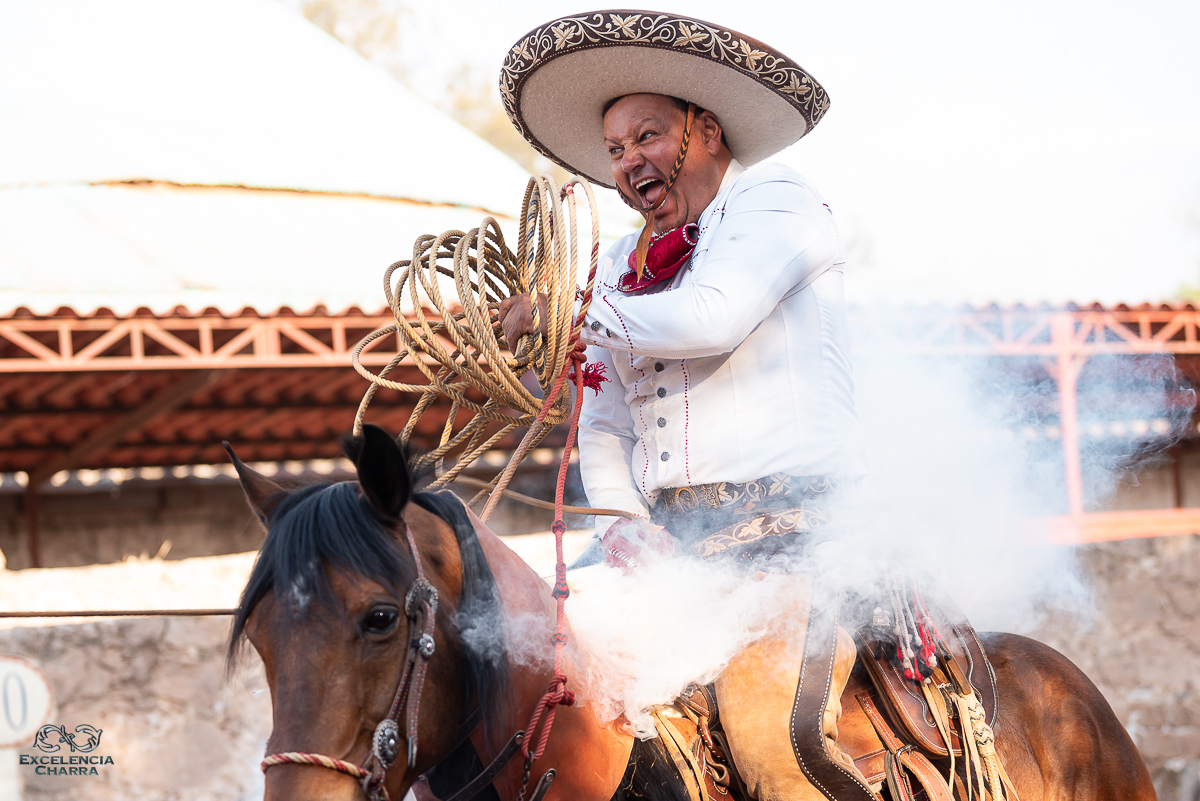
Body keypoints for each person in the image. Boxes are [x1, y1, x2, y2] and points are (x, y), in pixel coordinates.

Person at [497, 12, 873, 801]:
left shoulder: (777, 200)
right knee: (525, 686)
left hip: (797, 544)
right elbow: (604, 421)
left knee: (771, 742)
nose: (629, 161)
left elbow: (712, 317)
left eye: (648, 136)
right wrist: (623, 524)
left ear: (706, 131)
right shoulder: (612, 265)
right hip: (674, 553)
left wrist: (564, 311)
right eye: (615, 150)